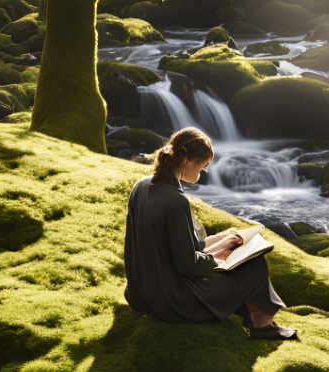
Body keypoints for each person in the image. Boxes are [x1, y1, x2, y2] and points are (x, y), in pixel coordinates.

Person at [123, 127, 298, 340]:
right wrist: (218, 258)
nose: (203, 172)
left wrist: (218, 241)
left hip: (140, 294)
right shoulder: (176, 201)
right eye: (203, 166)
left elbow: (168, 248)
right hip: (171, 300)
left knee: (229, 251)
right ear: (187, 160)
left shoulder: (141, 186)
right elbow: (189, 266)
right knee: (254, 264)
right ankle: (263, 325)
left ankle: (255, 316)